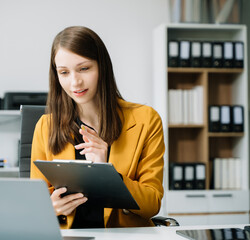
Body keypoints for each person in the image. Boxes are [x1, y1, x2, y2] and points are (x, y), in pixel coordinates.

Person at [30, 26, 164, 229]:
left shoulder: (146, 120)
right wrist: (51, 208)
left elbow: (152, 204)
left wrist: (109, 175)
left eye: (84, 68)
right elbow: (34, 204)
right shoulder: (45, 127)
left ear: (102, 66)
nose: (75, 82)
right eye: (64, 72)